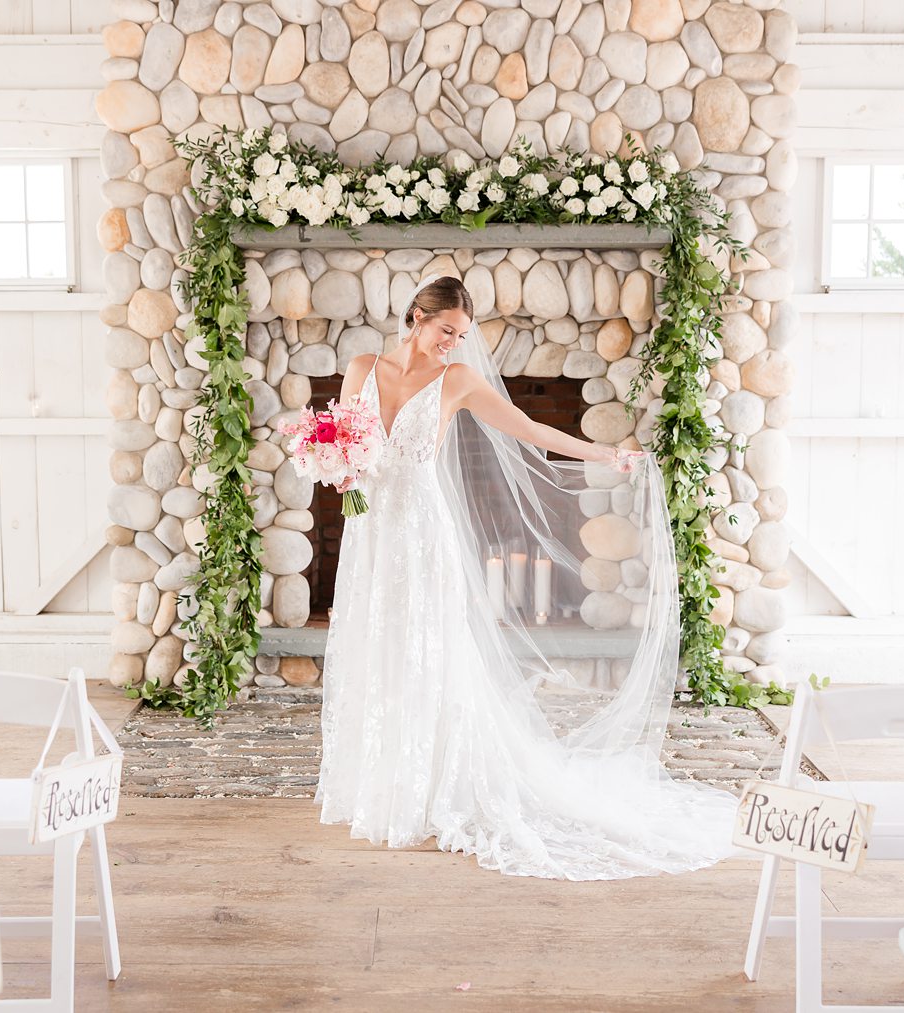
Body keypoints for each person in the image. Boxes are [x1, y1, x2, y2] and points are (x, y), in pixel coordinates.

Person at [313, 273, 738, 881]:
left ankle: (430, 785)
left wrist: (605, 455)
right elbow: (339, 444)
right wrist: (333, 462)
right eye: (444, 331)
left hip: (421, 534)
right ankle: (380, 783)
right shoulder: (360, 368)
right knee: (375, 646)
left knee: (427, 650)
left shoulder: (456, 380)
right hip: (370, 533)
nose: (452, 343)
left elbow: (529, 431)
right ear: (416, 318)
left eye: (460, 335)